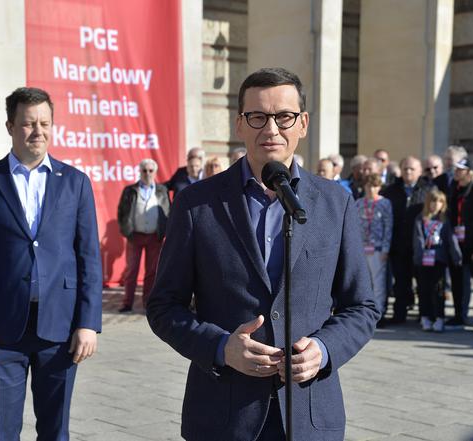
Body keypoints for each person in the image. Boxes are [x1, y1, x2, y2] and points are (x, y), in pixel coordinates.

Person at [146, 67, 378, 441]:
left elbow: (363, 306)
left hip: (308, 414)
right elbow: (163, 306)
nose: (271, 129)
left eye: (283, 116)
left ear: (302, 124)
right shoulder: (196, 204)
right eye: (258, 116)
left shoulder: (336, 203)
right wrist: (221, 347)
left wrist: (322, 349)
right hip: (223, 415)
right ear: (240, 125)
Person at [0, 87, 102, 440]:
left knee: (56, 432)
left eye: (45, 123)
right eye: (28, 124)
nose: (38, 131)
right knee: (2, 431)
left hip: (61, 329)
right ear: (10, 126)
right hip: (0, 333)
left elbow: (88, 258)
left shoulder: (76, 183)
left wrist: (88, 323)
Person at [381, 156, 435, 323]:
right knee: (401, 282)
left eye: (412, 169)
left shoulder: (429, 189)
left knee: (423, 282)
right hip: (398, 244)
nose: (408, 172)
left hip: (421, 244)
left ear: (419, 171)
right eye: (405, 169)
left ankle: (424, 314)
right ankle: (399, 314)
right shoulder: (390, 191)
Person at [116, 159, 170, 312]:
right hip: (135, 236)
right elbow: (122, 212)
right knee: (131, 271)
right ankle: (127, 303)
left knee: (152, 272)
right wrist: (127, 231)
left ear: (155, 172)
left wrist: (163, 231)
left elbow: (167, 211)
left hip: (154, 236)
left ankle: (148, 303)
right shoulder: (130, 190)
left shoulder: (161, 190)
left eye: (150, 170)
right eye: (144, 171)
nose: (147, 174)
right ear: (140, 172)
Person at [445, 158, 473, 334]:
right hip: (457, 244)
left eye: (461, 169)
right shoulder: (454, 190)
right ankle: (458, 315)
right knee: (456, 281)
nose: (456, 172)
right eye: (456, 169)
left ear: (469, 172)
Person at [412, 189, 461, 332]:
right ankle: (425, 317)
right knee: (424, 290)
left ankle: (439, 318)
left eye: (439, 201)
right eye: (433, 201)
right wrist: (419, 257)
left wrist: (456, 255)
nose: (436, 204)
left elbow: (451, 239)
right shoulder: (420, 219)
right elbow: (418, 238)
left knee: (439, 290)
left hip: (439, 260)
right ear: (428, 203)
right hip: (423, 261)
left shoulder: (444, 220)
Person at [354, 174, 393, 320]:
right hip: (362, 248)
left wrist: (385, 249)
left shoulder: (384, 203)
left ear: (380, 187)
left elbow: (388, 227)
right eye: (369, 186)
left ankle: (379, 312)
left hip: (377, 249)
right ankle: (364, 312)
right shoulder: (358, 203)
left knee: (378, 282)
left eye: (375, 186)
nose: (372, 189)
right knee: (364, 282)